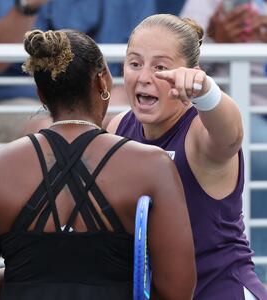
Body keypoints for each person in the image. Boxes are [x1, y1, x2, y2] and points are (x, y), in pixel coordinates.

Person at [0, 28, 196, 300]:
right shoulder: (152, 166)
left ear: (41, 94)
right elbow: (177, 291)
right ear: (102, 82)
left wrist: (26, 276)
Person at [107, 13, 267, 299]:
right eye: (134, 63)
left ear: (189, 73)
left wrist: (205, 91)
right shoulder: (118, 127)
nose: (144, 77)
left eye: (160, 67)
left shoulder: (200, 132)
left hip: (221, 289)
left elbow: (230, 134)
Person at [0, 0, 156, 170]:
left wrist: (111, 111)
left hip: (101, 98)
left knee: (124, 122)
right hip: (7, 103)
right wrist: (28, 6)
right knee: (59, 131)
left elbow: (139, 65)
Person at [180, 0, 267, 283]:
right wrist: (217, 38)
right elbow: (178, 57)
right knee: (257, 151)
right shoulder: (205, 4)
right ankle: (260, 273)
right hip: (237, 108)